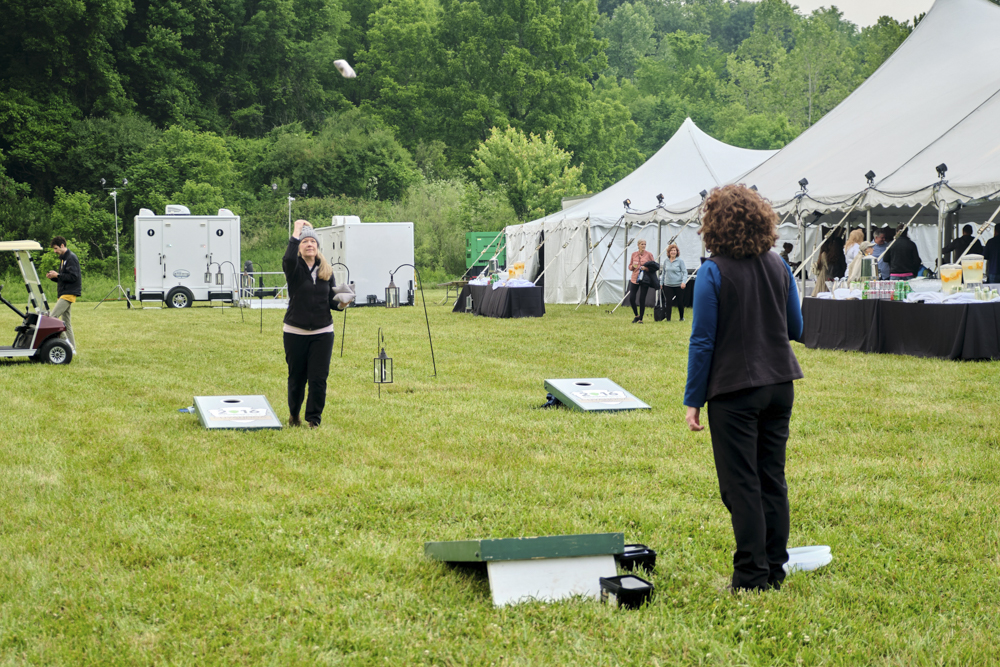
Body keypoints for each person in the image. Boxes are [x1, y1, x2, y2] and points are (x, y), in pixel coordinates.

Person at [684, 184, 804, 593]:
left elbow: (702, 340)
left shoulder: (712, 271)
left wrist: (692, 400)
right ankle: (774, 569)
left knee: (741, 484)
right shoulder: (780, 266)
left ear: (713, 225)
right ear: (762, 220)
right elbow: (796, 328)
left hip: (734, 390)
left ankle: (751, 577)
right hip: (780, 385)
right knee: (772, 478)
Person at [283, 219, 355, 428]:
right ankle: (294, 414)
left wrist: (343, 304)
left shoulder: (327, 271)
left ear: (317, 247)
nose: (309, 245)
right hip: (295, 332)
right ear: (299, 247)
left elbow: (332, 304)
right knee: (297, 378)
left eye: (312, 242)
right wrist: (296, 231)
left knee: (318, 379)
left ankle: (314, 420)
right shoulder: (294, 269)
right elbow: (288, 258)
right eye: (305, 242)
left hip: (323, 332)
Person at [45, 236, 81, 352]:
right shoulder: (63, 259)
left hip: (68, 294)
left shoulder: (71, 258)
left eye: (56, 248)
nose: (55, 251)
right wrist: (53, 277)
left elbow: (73, 277)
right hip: (64, 293)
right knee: (67, 323)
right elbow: (63, 278)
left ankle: (67, 346)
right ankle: (72, 349)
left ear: (62, 245)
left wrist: (58, 275)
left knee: (52, 318)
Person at [628, 239, 655, 323]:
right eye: (642, 244)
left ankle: (641, 319)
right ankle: (636, 315)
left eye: (645, 244)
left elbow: (654, 266)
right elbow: (629, 267)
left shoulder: (649, 255)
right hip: (635, 278)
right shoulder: (634, 254)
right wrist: (632, 266)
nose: (643, 246)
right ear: (638, 245)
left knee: (642, 299)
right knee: (632, 298)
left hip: (644, 279)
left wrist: (646, 268)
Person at [661, 243, 688, 321]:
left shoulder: (680, 261)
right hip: (667, 284)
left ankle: (681, 317)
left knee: (680, 301)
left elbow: (684, 272)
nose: (673, 252)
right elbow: (663, 273)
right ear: (669, 252)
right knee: (668, 302)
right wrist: (661, 283)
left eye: (675, 250)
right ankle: (668, 318)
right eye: (672, 250)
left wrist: (683, 282)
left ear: (677, 252)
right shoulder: (666, 261)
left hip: (678, 285)